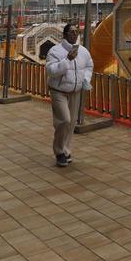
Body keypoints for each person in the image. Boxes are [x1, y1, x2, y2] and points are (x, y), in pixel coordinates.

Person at [45, 23, 93, 167]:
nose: (75, 34)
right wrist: (67, 60)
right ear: (65, 35)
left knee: (71, 123)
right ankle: (59, 151)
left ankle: (66, 149)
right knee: (64, 120)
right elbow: (51, 70)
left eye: (76, 32)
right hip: (58, 91)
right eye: (71, 32)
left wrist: (85, 79)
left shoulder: (83, 51)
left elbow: (89, 65)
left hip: (75, 91)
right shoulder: (55, 51)